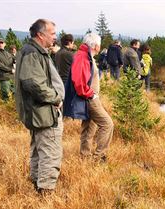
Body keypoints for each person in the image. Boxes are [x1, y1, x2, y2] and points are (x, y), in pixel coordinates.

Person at [15, 19, 64, 195]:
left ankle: (37, 185)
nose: (55, 37)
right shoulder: (32, 53)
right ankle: (46, 193)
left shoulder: (35, 51)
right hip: (43, 112)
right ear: (40, 35)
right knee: (50, 153)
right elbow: (33, 83)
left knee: (38, 150)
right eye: (52, 33)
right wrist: (56, 98)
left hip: (40, 112)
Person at [64, 33, 114, 163]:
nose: (100, 46)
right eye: (99, 44)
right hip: (90, 99)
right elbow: (79, 82)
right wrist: (91, 95)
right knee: (107, 124)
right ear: (96, 46)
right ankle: (99, 157)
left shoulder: (85, 55)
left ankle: (85, 157)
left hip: (89, 98)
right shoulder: (83, 57)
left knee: (89, 127)